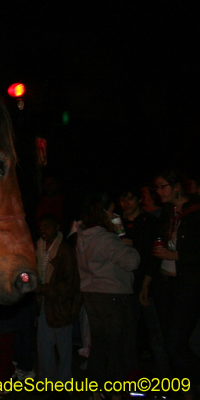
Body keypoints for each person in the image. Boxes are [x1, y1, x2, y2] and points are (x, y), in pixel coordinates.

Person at [76, 194, 140, 400]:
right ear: (103, 213)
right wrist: (128, 245)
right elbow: (131, 262)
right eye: (111, 211)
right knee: (115, 346)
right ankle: (114, 393)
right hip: (112, 295)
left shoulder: (83, 236)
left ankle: (95, 390)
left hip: (92, 295)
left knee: (99, 344)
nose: (115, 215)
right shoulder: (105, 238)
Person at [143, 171, 200, 395]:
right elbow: (156, 252)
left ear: (176, 186)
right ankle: (187, 390)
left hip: (188, 285)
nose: (159, 192)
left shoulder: (195, 212)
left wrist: (175, 256)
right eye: (156, 188)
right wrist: (146, 283)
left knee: (176, 344)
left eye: (162, 186)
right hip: (165, 285)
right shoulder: (167, 214)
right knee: (169, 341)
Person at [116, 185, 170, 377]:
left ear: (138, 199)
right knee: (127, 336)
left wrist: (147, 282)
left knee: (157, 336)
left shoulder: (150, 222)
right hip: (124, 286)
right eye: (122, 200)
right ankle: (132, 379)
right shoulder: (116, 223)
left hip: (148, 284)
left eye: (130, 198)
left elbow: (154, 257)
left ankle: (167, 379)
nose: (126, 204)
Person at [35, 213, 81, 387]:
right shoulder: (39, 247)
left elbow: (69, 285)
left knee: (63, 348)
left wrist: (41, 289)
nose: (43, 230)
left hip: (61, 305)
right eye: (40, 227)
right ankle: (47, 382)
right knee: (44, 347)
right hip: (45, 303)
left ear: (57, 227)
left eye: (47, 226)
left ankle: (63, 385)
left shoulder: (65, 251)